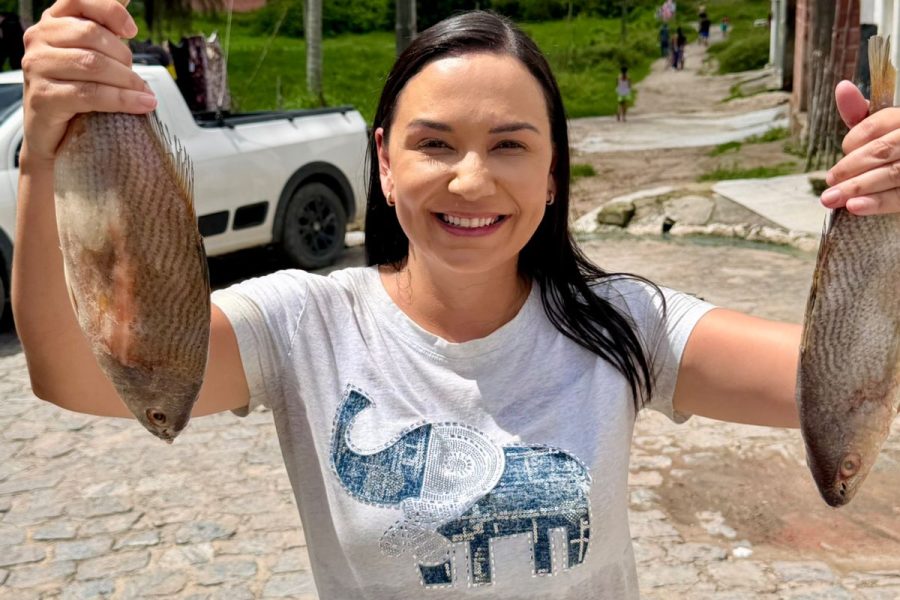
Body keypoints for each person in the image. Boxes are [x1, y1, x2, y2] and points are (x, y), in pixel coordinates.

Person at [13, 5, 900, 599]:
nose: (470, 179)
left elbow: (842, 387)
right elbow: (78, 374)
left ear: (553, 172)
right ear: (386, 162)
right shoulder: (305, 324)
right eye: (434, 143)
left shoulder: (625, 324)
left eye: (510, 145)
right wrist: (49, 149)